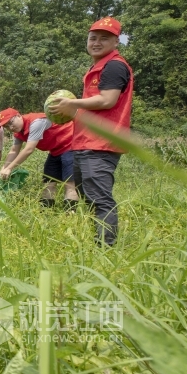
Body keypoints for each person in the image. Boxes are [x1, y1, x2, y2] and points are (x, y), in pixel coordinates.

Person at [47, 16, 133, 246]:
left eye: (104, 38)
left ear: (116, 42)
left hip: (101, 143)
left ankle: (105, 249)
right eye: (92, 38)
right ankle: (98, 240)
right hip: (85, 142)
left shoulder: (114, 66)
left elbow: (107, 100)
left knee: (100, 199)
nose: (96, 42)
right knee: (88, 195)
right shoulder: (98, 66)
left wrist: (71, 104)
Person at [0, 108, 78, 209]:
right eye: (6, 126)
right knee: (48, 183)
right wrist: (3, 168)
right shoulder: (18, 133)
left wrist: (10, 168)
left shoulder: (36, 122)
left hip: (71, 145)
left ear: (18, 115)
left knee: (70, 183)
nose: (11, 127)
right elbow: (14, 151)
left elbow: (29, 149)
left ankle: (70, 214)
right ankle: (46, 212)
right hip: (55, 151)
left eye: (11, 122)